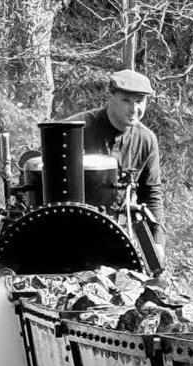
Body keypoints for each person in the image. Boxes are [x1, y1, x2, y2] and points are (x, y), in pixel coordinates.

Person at [65, 69, 165, 265]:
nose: (134, 109)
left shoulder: (147, 140)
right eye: (127, 101)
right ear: (110, 98)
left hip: (120, 229)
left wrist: (157, 242)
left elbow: (152, 193)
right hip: (73, 226)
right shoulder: (77, 128)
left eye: (140, 101)